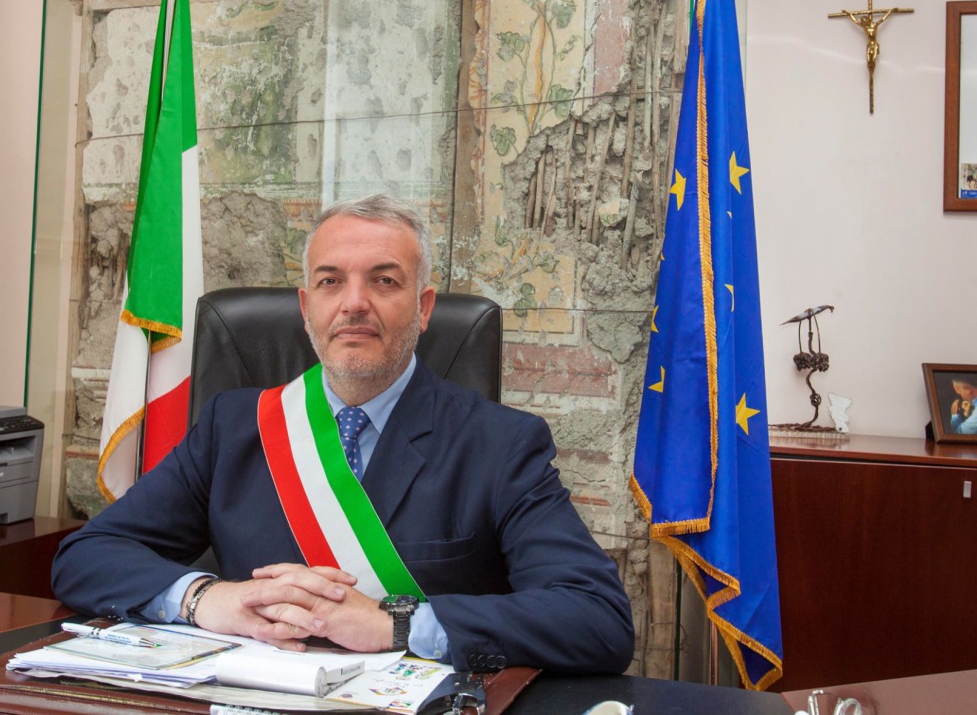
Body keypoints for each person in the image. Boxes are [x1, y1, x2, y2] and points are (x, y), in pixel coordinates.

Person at [52, 194, 634, 675]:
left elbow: (597, 619)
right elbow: (87, 556)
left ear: (423, 308)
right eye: (331, 281)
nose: (354, 304)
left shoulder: (500, 445)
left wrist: (397, 624)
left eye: (384, 281)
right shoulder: (234, 427)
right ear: (307, 308)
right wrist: (207, 598)